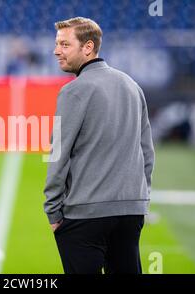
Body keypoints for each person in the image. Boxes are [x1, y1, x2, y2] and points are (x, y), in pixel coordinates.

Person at [43, 17, 155, 274]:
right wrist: (141, 199)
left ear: (88, 47)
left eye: (64, 44)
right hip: (130, 211)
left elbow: (58, 154)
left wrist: (53, 211)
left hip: (85, 215)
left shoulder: (73, 91)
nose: (56, 51)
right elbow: (147, 151)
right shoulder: (132, 85)